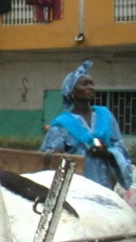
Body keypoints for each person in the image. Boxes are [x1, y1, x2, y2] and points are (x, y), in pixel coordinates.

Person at [40, 60, 133, 190]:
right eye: (85, 84)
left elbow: (120, 147)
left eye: (92, 84)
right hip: (75, 189)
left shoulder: (105, 115)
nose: (91, 87)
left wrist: (108, 152)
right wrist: (59, 154)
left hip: (104, 186)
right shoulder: (61, 125)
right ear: (72, 92)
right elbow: (48, 160)